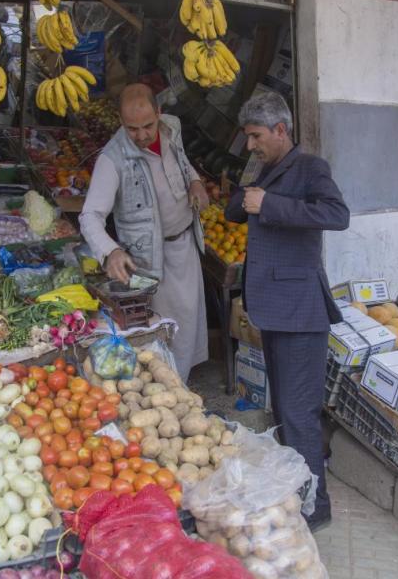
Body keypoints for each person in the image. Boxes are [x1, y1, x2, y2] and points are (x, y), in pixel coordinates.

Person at [224, 91, 350, 531]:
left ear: (281, 130)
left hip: (299, 311)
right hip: (273, 310)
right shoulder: (266, 167)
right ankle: (295, 489)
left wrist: (270, 204)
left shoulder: (310, 168)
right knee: (283, 410)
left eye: (256, 136)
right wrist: (249, 190)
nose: (251, 144)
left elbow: (337, 214)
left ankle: (315, 507)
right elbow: (233, 212)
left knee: (299, 415)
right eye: (248, 137)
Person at [79, 84, 209, 381]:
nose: (141, 135)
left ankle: (183, 386)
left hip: (185, 247)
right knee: (160, 333)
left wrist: (196, 182)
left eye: (148, 125)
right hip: (149, 261)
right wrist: (110, 250)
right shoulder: (112, 159)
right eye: (132, 128)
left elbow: (183, 163)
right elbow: (90, 215)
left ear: (159, 113)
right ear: (121, 122)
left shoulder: (171, 129)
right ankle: (168, 390)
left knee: (187, 324)